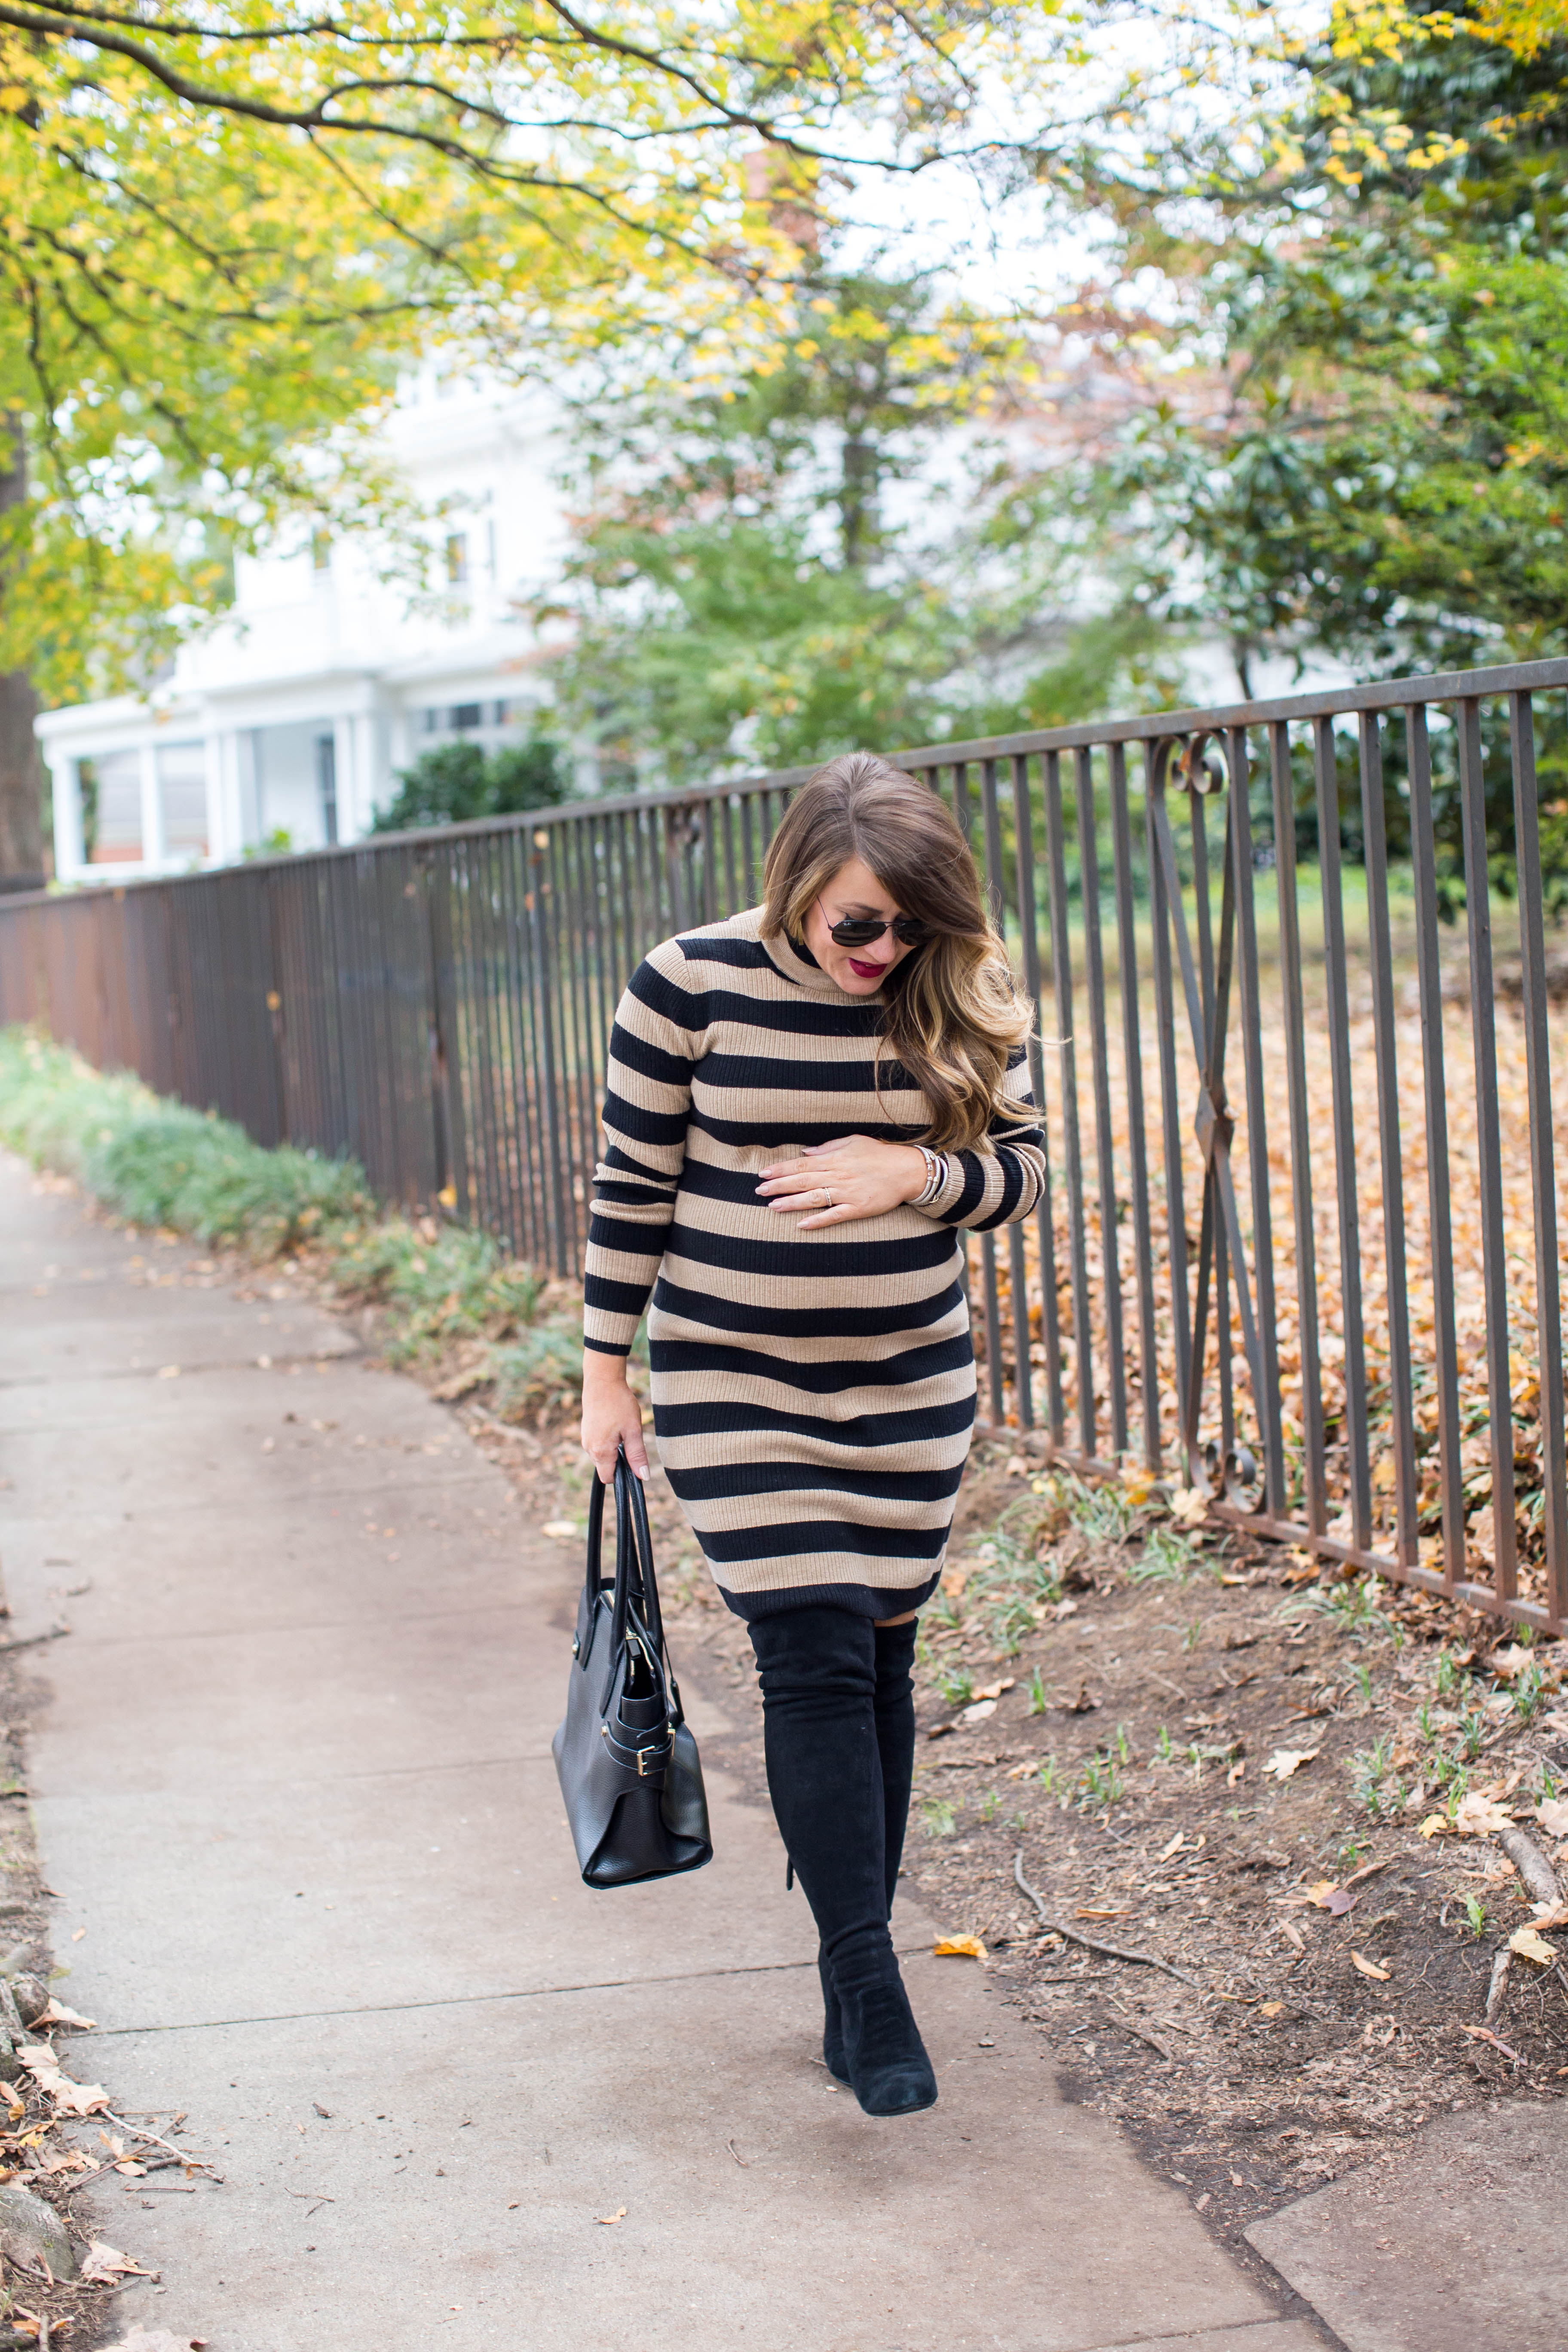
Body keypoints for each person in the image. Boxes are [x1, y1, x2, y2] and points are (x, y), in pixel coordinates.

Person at [579, 751, 1047, 2117]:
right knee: (814, 1652)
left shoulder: (954, 983)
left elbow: (1023, 1168)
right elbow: (631, 1181)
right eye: (860, 926)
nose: (885, 950)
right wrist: (607, 1373)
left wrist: (917, 1170)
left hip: (910, 1381)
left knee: (881, 1659)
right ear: (794, 890)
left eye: (912, 925)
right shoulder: (692, 982)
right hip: (737, 1377)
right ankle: (871, 1976)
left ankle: (852, 1984)